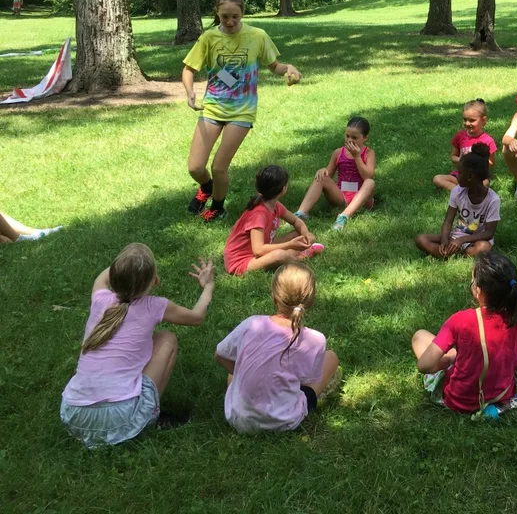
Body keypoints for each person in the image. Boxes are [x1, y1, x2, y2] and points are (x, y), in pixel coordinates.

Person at [59, 244, 216, 448]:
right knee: (167, 339)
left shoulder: (99, 297)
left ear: (114, 277)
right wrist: (209, 286)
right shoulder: (155, 305)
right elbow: (196, 317)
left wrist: (128, 265)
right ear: (155, 281)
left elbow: (102, 277)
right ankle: (151, 415)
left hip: (74, 413)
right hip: (120, 417)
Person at [181, 0, 302, 222]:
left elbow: (275, 66)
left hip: (242, 110)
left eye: (235, 16)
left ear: (243, 13)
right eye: (225, 16)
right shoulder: (208, 38)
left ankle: (217, 207)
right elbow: (188, 69)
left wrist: (289, 69)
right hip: (214, 106)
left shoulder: (257, 36)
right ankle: (206, 188)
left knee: (219, 167)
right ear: (217, 13)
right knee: (196, 167)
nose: (230, 22)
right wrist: (190, 93)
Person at [412, 251, 517, 414]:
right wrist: (509, 359)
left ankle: (452, 360)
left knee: (419, 336)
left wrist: (448, 360)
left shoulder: (460, 321)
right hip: (502, 397)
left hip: (458, 401)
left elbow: (424, 365)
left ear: (478, 291)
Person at [215, 262, 340, 433]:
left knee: (235, 369)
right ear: (311, 300)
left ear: (274, 296)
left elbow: (220, 355)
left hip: (237, 419)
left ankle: (246, 396)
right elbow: (308, 379)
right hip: (284, 422)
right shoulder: (315, 340)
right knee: (331, 357)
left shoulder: (252, 323)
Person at [223, 165, 323, 276]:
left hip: (262, 249)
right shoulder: (259, 214)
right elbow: (258, 250)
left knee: (299, 234)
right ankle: (300, 258)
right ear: (283, 189)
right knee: (279, 255)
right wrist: (290, 244)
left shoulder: (275, 205)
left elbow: (296, 221)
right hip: (241, 261)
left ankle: (298, 251)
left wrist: (306, 236)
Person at [415, 143, 500, 258]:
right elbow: (448, 221)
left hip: (477, 239)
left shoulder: (493, 200)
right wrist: (445, 240)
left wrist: (462, 240)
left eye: (459, 173)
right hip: (456, 235)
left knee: (483, 247)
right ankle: (450, 251)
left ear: (470, 176)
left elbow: (489, 233)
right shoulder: (457, 191)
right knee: (421, 239)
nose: (457, 176)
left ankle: (450, 253)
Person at [295, 116, 377, 231]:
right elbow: (329, 174)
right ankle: (301, 214)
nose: (349, 140)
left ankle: (343, 217)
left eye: (354, 137)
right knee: (321, 177)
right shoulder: (339, 152)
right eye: (347, 136)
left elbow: (368, 176)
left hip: (361, 199)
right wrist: (323, 171)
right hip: (341, 197)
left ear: (365, 138)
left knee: (370, 182)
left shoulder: (368, 153)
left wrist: (357, 156)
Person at [433, 99, 497, 193]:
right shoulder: (460, 136)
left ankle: (463, 191)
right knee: (437, 179)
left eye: (472, 120)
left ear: (483, 120)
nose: (467, 123)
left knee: (485, 183)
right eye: (465, 120)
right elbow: (453, 156)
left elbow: (491, 162)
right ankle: (461, 191)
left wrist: (477, 163)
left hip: (478, 177)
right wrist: (462, 160)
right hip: (460, 175)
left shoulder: (488, 140)